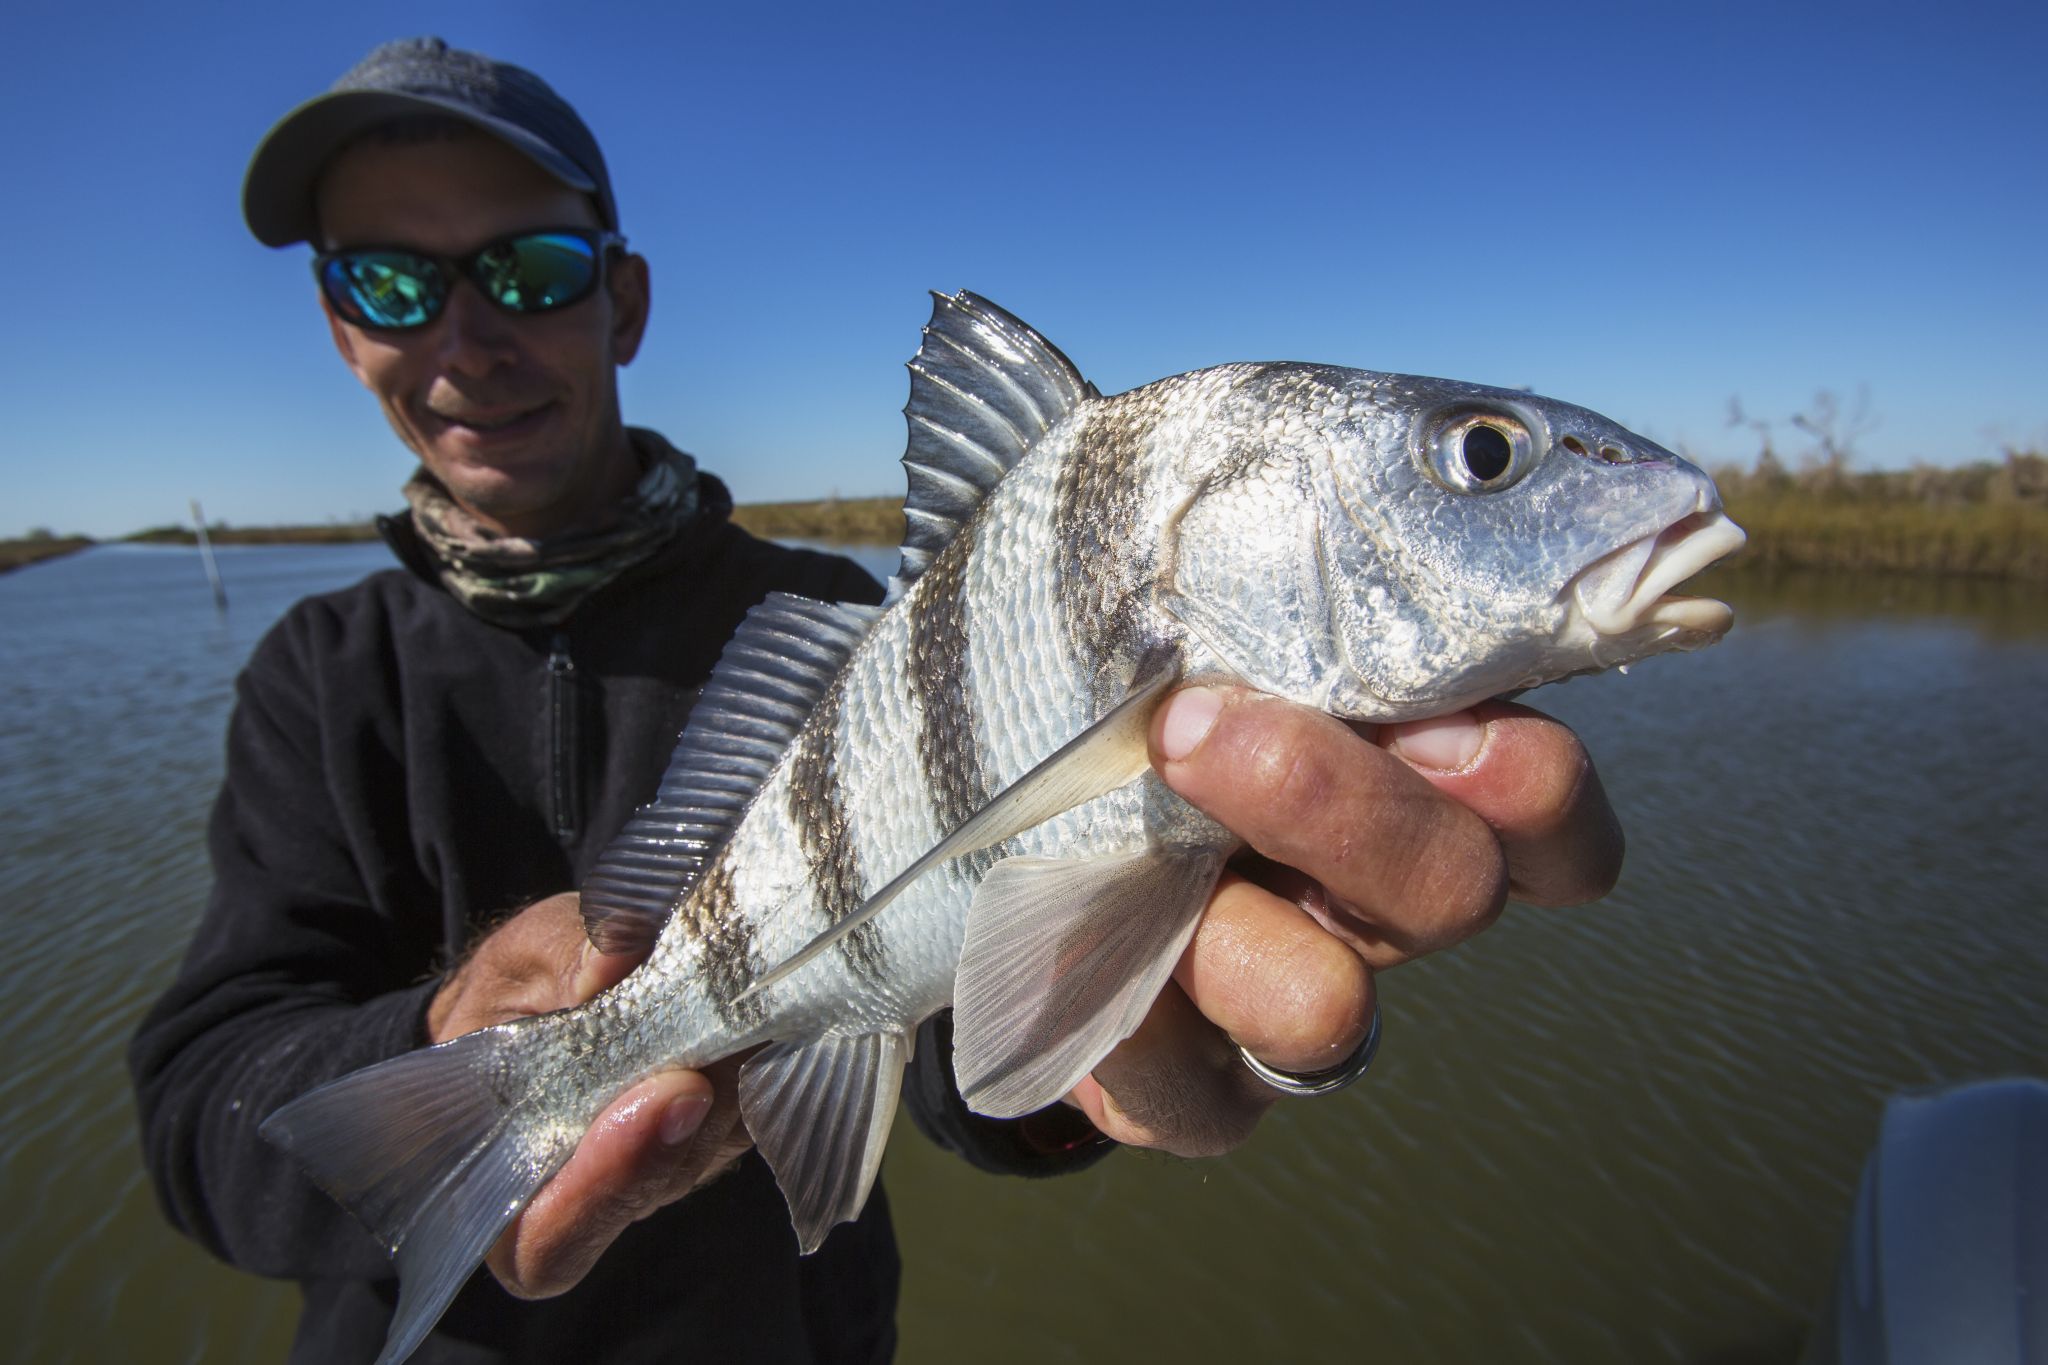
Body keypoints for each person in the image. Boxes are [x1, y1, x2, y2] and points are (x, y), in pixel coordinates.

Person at [129, 37, 1627, 1365]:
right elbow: (204, 1110)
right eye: (387, 280)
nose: (464, 337)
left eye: (528, 270)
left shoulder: (839, 623)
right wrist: (445, 1040)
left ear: (624, 296)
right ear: (339, 327)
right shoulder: (313, 680)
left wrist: (1104, 1050)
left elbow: (950, 1055)